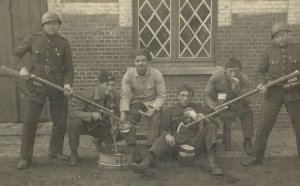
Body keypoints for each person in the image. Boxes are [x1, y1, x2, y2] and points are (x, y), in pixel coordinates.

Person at [8, 12, 74, 170]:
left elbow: (69, 69)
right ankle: (26, 157)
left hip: (57, 87)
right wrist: (22, 67)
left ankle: (55, 151)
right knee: (30, 121)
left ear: (59, 25)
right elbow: (13, 55)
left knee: (60, 121)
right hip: (37, 86)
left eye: (55, 23)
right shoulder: (33, 39)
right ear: (43, 26)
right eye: (49, 23)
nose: (52, 26)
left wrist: (67, 85)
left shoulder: (64, 43)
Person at [131, 84, 224, 175]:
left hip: (194, 144)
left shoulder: (198, 107)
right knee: (161, 140)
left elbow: (216, 123)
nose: (185, 98)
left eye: (188, 96)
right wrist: (167, 135)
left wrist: (204, 118)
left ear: (191, 97)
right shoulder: (169, 110)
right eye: (182, 95)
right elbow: (163, 128)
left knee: (210, 126)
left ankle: (213, 165)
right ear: (177, 96)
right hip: (176, 144)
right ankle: (144, 165)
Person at [242, 21, 300, 166]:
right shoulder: (268, 52)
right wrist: (261, 84)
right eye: (277, 36)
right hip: (274, 93)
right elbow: (261, 71)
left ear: (288, 34)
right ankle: (256, 158)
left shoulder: (297, 49)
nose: (280, 38)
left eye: (283, 35)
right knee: (263, 126)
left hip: (293, 93)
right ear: (273, 39)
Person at [67, 70, 122, 166]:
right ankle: (74, 153)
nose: (110, 88)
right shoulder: (88, 94)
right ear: (99, 84)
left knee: (122, 133)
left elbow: (117, 113)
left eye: (112, 85)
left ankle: (98, 140)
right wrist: (91, 115)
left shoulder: (115, 95)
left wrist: (115, 124)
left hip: (103, 125)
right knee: (73, 124)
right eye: (106, 85)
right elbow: (72, 113)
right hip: (87, 126)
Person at [204, 57, 254, 155]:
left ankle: (247, 140)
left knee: (247, 112)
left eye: (236, 71)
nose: (233, 74)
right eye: (230, 71)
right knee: (207, 113)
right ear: (225, 70)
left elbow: (248, 101)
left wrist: (238, 90)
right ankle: (207, 140)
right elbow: (207, 94)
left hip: (234, 103)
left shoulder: (243, 79)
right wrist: (213, 106)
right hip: (218, 102)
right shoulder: (217, 75)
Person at [119, 48, 167, 147]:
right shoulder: (128, 75)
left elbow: (162, 96)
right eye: (137, 61)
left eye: (143, 60)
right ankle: (132, 147)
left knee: (156, 119)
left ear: (148, 61)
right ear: (134, 62)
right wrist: (122, 114)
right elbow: (125, 96)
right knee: (128, 120)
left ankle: (151, 147)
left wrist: (153, 108)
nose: (140, 63)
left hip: (152, 102)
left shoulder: (156, 74)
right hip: (136, 103)